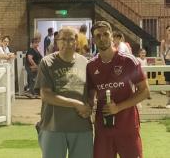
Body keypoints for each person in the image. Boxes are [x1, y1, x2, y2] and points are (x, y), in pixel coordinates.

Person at [86, 21, 150, 158]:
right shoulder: (91, 66)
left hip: (127, 126)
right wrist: (87, 104)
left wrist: (118, 107)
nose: (102, 38)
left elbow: (144, 91)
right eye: (97, 36)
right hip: (104, 128)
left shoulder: (128, 61)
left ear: (112, 36)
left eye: (105, 34)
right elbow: (91, 92)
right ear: (93, 40)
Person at [35, 27, 93, 158]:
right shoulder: (47, 62)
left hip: (81, 126)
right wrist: (76, 104)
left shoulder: (85, 63)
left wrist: (90, 105)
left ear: (76, 42)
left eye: (71, 39)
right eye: (63, 39)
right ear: (57, 42)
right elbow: (46, 95)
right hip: (53, 126)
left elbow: (91, 91)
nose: (67, 43)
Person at [160, 25, 170, 108]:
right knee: (167, 82)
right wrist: (163, 63)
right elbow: (161, 53)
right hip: (167, 62)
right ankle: (168, 101)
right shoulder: (163, 42)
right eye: (169, 30)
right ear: (166, 31)